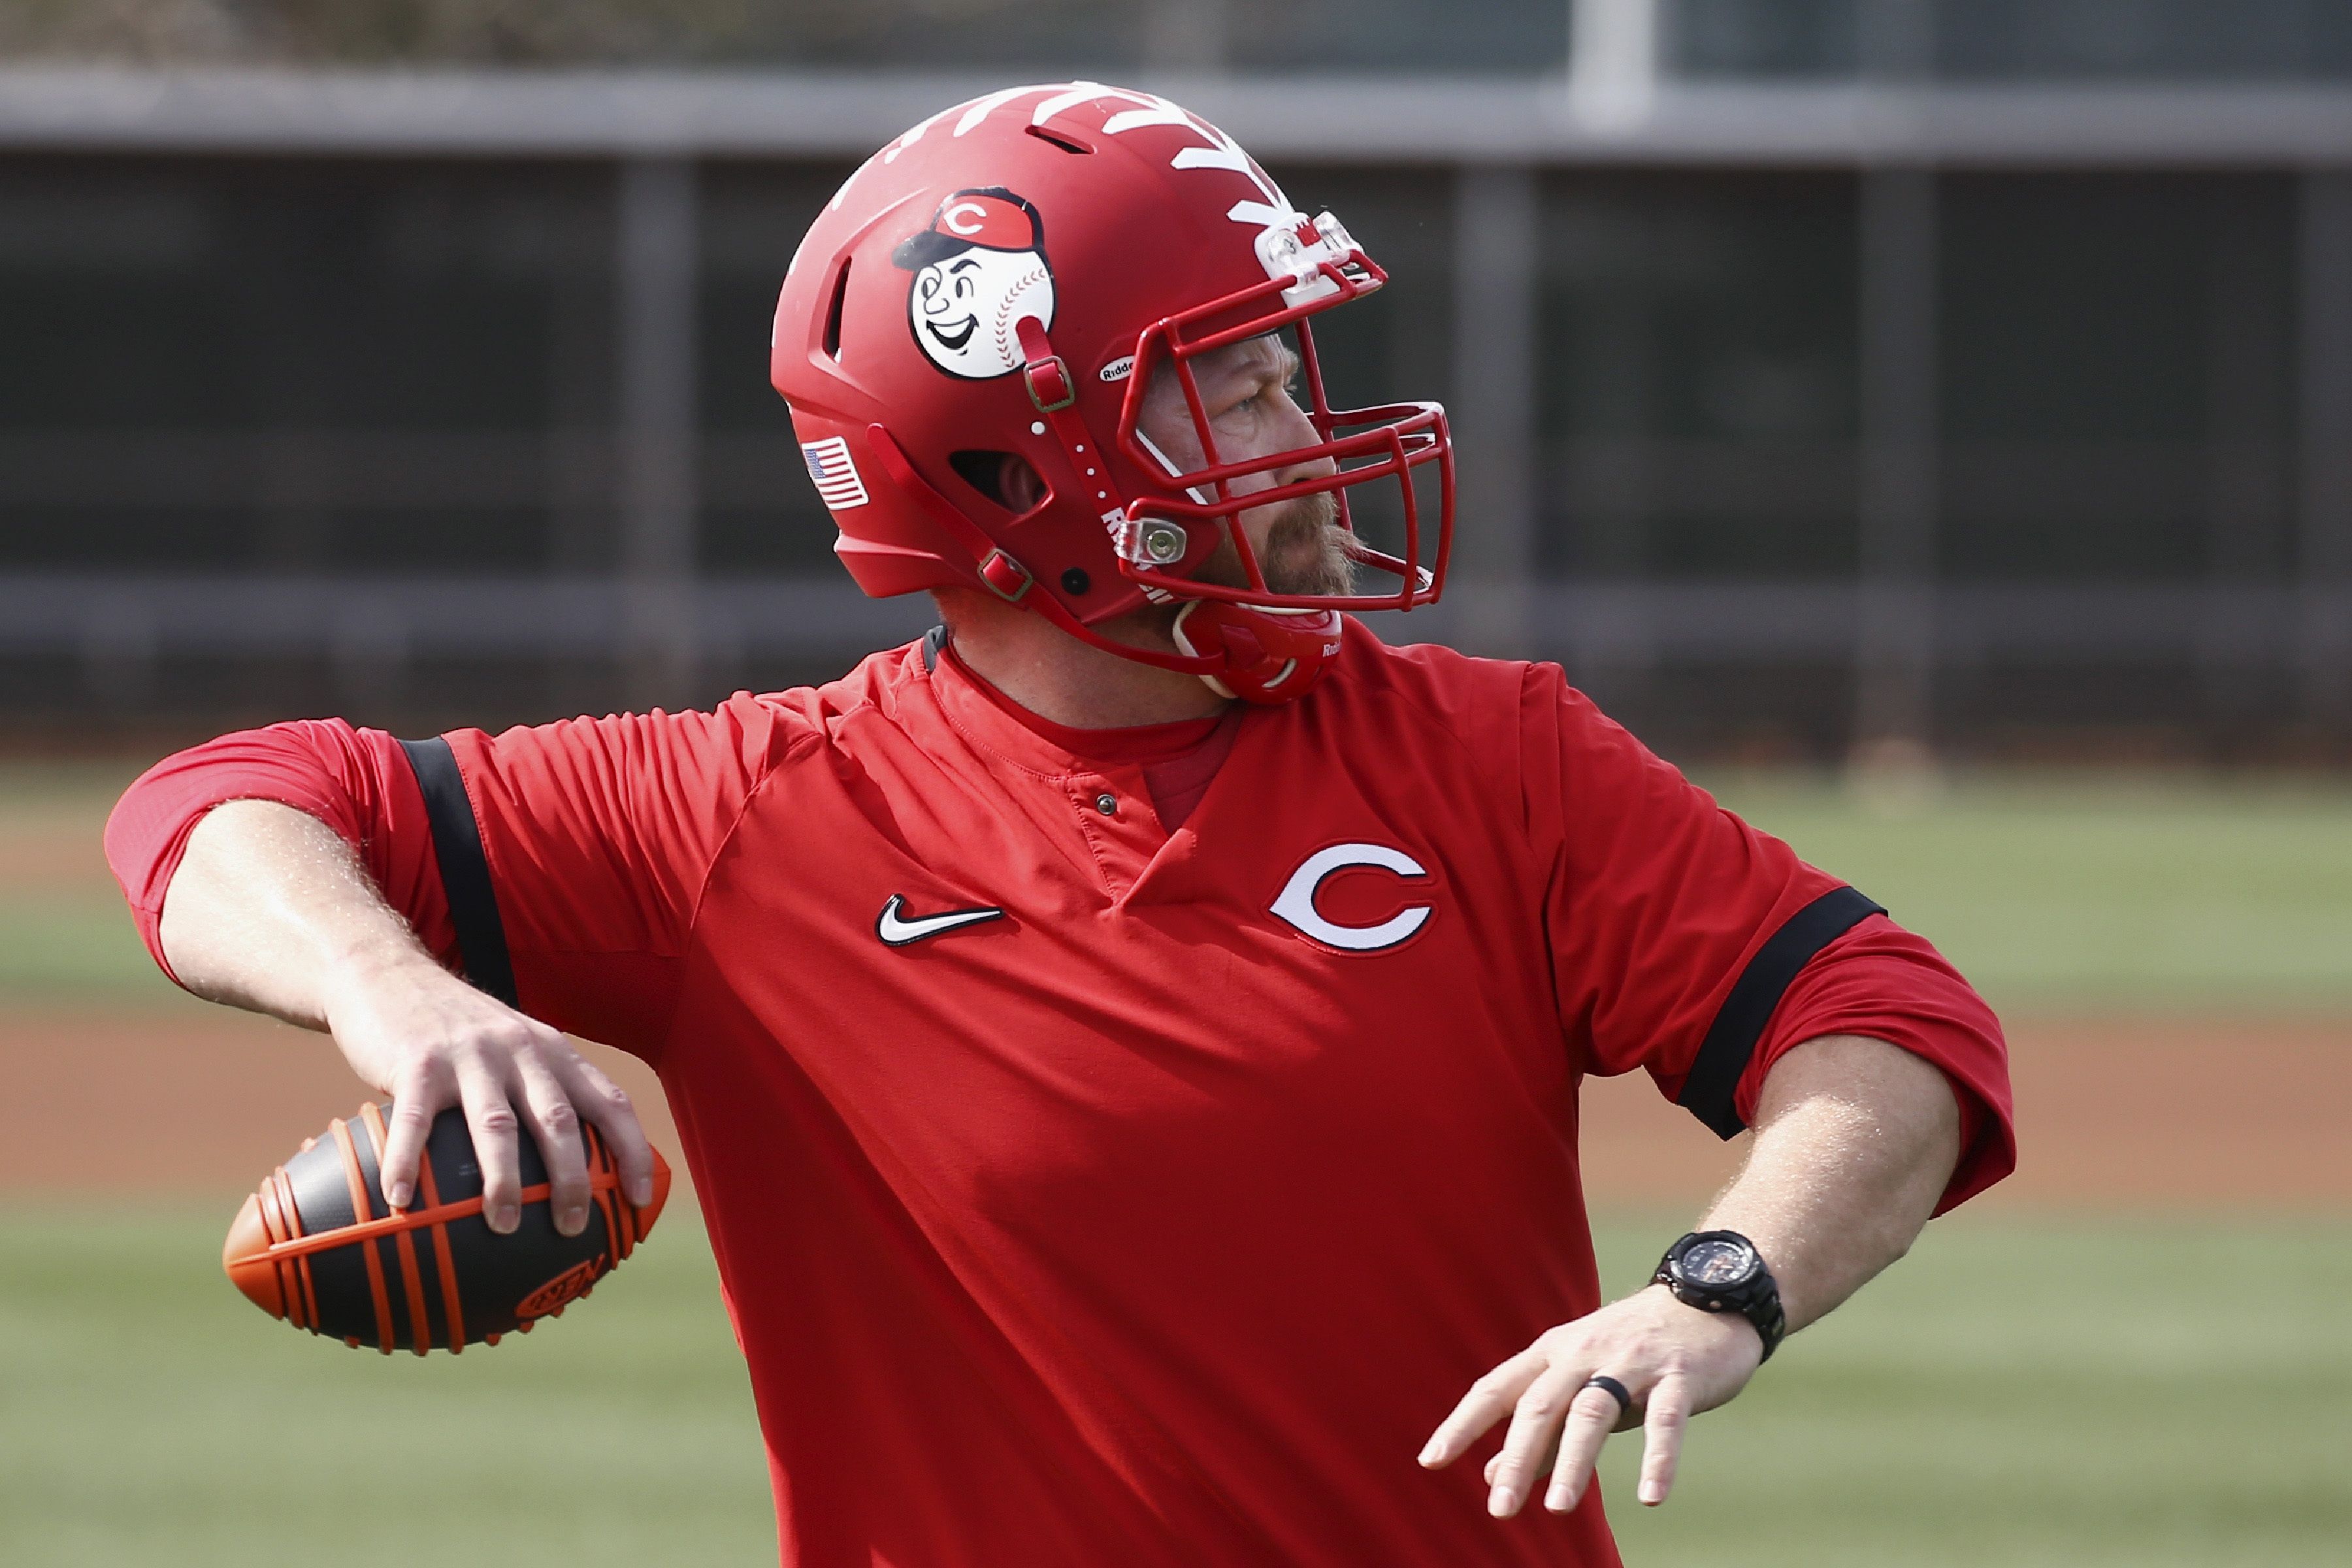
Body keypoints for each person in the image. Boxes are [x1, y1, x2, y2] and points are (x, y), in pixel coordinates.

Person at [105, 83, 2014, 1566]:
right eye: (1233, 386)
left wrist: (1717, 1294)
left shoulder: (1490, 755)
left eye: (1283, 368)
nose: (1299, 431)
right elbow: (204, 813)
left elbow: (1893, 1025)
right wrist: (398, 994)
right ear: (1036, 475)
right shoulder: (740, 822)